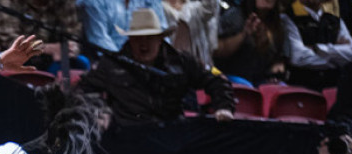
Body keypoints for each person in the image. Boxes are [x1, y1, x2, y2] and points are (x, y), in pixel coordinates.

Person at [76, 8, 236, 125]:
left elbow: (216, 79)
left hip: (172, 136)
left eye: (150, 38)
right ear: (130, 40)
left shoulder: (182, 61)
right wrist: (98, 111)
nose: (143, 44)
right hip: (129, 138)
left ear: (160, 39)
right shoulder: (111, 64)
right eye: (138, 38)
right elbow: (82, 91)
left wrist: (223, 107)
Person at [280, 0, 352, 90]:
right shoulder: (288, 17)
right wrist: (337, 58)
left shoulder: (335, 20)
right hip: (302, 86)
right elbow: (298, 58)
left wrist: (317, 49)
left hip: (333, 86)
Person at [0, 0, 89, 72]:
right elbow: (10, 41)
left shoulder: (64, 2)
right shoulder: (8, 1)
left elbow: (73, 32)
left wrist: (72, 47)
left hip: (52, 59)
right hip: (17, 59)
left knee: (81, 63)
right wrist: (49, 49)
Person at [213, 0, 289, 86]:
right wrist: (244, 34)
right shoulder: (235, 16)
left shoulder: (277, 23)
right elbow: (218, 50)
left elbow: (278, 56)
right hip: (232, 75)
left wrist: (277, 65)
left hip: (262, 78)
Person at [79, 0, 169, 54]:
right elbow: (99, 39)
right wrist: (126, 62)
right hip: (109, 62)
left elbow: (162, 31)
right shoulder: (95, 2)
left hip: (149, 60)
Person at [163, 0, 220, 69]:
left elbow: (210, 8)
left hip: (198, 67)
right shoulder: (159, 7)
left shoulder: (194, 8)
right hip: (168, 65)